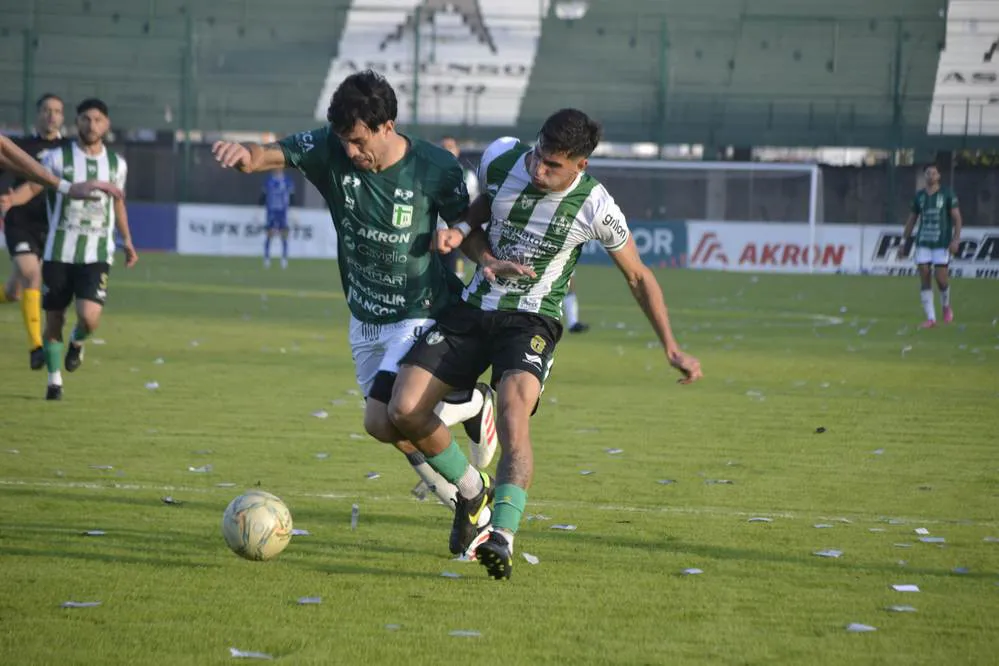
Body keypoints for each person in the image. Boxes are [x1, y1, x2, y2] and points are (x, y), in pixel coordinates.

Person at [389, 108, 703, 580]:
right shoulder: (501, 157)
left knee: (515, 415)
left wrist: (671, 347)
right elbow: (482, 210)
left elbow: (638, 276)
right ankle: (474, 492)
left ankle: (502, 537)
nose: (538, 170)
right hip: (475, 307)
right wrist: (478, 249)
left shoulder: (596, 207)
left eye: (553, 166)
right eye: (538, 156)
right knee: (402, 411)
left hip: (532, 322)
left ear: (581, 166)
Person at [210, 71, 499, 550]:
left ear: (387, 126)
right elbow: (273, 153)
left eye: (359, 141)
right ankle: (471, 437)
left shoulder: (435, 167)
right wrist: (247, 156)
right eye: (344, 140)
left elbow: (465, 229)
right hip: (366, 318)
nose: (350, 151)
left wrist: (486, 259)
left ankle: (473, 489)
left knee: (390, 414)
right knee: (392, 428)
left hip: (420, 311)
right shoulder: (329, 148)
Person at [1, 99, 137, 400]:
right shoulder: (56, 158)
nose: (92, 125)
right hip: (58, 251)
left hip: (97, 252)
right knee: (54, 319)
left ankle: (77, 341)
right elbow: (35, 185)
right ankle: (54, 381)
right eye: (86, 119)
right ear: (77, 122)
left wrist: (126, 239)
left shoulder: (117, 164)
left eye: (98, 119)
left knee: (89, 318)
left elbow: (118, 202)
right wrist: (13, 200)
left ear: (107, 125)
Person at [0, 94, 67, 369]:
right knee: (32, 274)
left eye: (57, 111)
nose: (51, 115)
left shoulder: (70, 149)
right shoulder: (22, 146)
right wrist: (8, 200)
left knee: (16, 291)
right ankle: (36, 347)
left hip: (53, 224)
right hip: (21, 221)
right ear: (38, 114)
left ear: (63, 117)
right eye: (46, 110)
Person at [898, 164, 963, 328]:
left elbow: (957, 218)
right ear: (925, 176)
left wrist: (956, 240)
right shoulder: (919, 196)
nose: (931, 176)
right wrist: (903, 242)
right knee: (924, 274)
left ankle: (946, 306)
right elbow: (912, 220)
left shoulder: (947, 194)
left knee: (941, 278)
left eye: (934, 173)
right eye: (928, 173)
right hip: (923, 243)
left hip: (941, 243)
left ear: (938, 176)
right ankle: (931, 318)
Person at [438, 136, 479, 280]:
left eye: (450, 147)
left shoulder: (468, 176)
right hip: (435, 230)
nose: (447, 150)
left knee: (457, 274)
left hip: (457, 230)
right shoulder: (430, 175)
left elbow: (474, 203)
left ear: (457, 150)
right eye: (443, 147)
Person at [260, 167, 295, 269]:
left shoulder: (287, 181)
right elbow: (263, 196)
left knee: (284, 235)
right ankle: (267, 258)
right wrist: (258, 209)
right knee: (269, 235)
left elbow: (292, 197)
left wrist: (293, 211)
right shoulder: (269, 180)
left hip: (283, 212)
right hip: (271, 211)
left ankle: (284, 258)